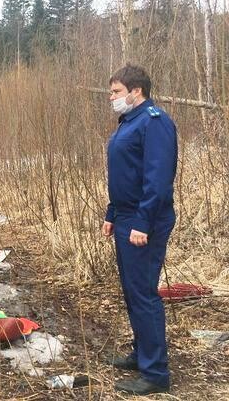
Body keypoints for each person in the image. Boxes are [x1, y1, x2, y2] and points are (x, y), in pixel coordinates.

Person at [103, 64, 178, 395]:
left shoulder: (154, 123)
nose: (112, 98)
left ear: (137, 91)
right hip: (125, 217)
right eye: (111, 92)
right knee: (133, 291)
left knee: (144, 294)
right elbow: (123, 175)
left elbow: (157, 179)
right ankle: (141, 353)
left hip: (143, 221)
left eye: (116, 92)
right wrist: (111, 213)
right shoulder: (128, 123)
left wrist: (142, 222)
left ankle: (155, 372)